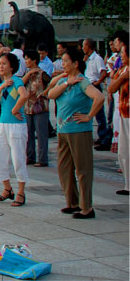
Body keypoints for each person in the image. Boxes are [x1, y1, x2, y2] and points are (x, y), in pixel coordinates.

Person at [46, 46, 104, 219]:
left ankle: (86, 207)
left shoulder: (82, 81)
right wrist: (65, 82)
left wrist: (89, 116)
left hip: (79, 131)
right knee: (64, 168)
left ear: (76, 63)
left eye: (65, 61)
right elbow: (50, 94)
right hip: (63, 131)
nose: (62, 64)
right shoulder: (64, 80)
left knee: (82, 169)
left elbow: (99, 97)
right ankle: (72, 202)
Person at [0, 52, 29, 207]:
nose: (0, 67)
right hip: (3, 125)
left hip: (16, 126)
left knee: (18, 159)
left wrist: (15, 109)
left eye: (4, 64)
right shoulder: (2, 84)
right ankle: (7, 188)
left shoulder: (17, 81)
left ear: (12, 67)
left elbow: (24, 95)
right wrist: (1, 88)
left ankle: (21, 192)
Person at [106, 29, 129, 195]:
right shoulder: (122, 70)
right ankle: (128, 184)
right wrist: (122, 77)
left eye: (123, 53)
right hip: (123, 113)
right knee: (123, 151)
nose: (120, 55)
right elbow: (111, 87)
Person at [21, 49, 51, 167]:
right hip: (28, 107)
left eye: (28, 58)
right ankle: (30, 156)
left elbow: (51, 83)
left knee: (41, 133)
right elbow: (20, 84)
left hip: (40, 107)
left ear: (34, 60)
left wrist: (45, 93)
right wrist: (28, 74)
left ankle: (43, 159)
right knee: (28, 133)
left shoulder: (42, 73)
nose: (26, 61)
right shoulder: (27, 74)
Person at [82, 39, 111, 150]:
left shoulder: (97, 58)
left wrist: (97, 82)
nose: (83, 47)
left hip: (94, 85)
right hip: (87, 85)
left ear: (89, 46)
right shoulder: (88, 59)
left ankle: (103, 135)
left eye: (84, 45)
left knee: (99, 112)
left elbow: (103, 72)